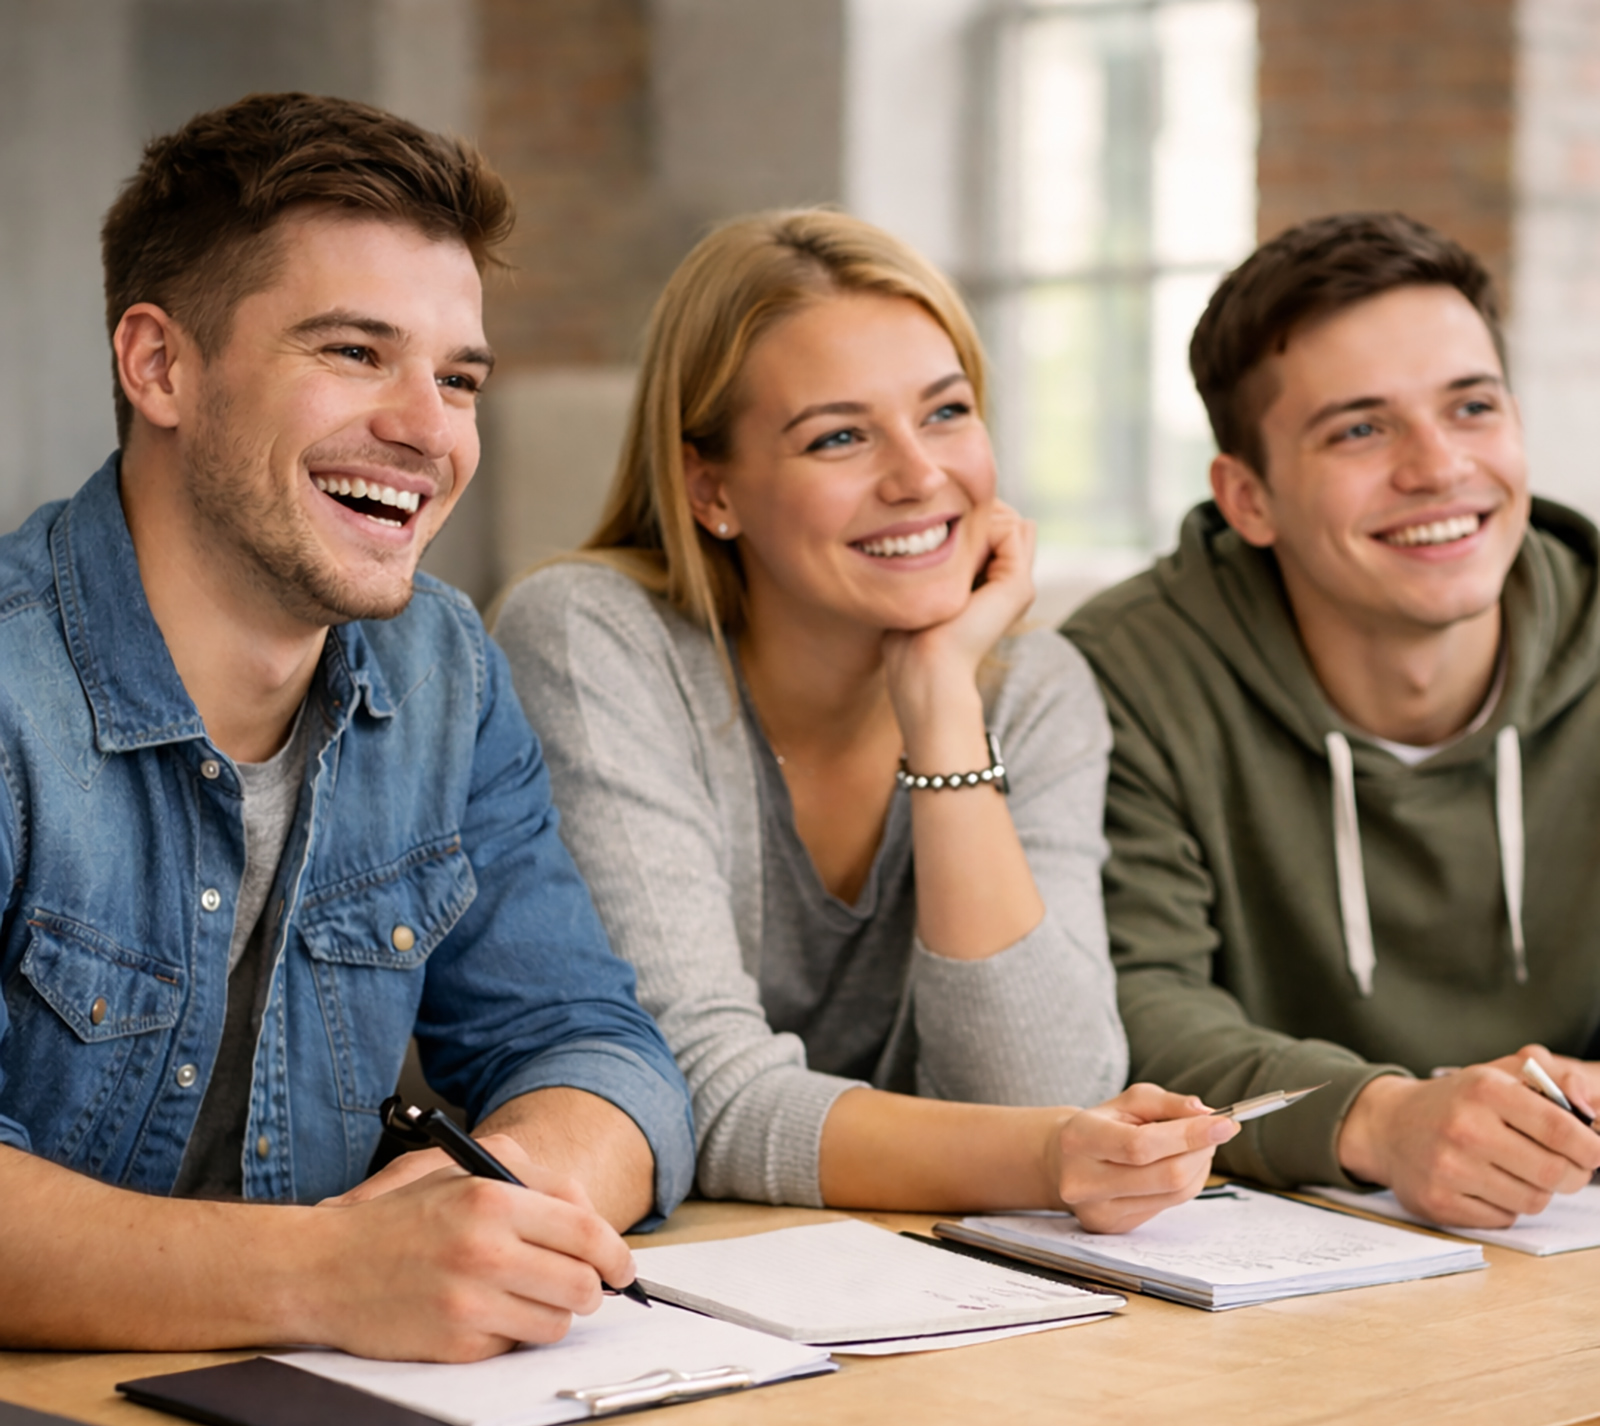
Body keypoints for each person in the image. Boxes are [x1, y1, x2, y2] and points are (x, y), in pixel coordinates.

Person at [0, 93, 695, 1362]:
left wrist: (514, 1183)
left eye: (459, 377)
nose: (429, 429)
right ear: (159, 365)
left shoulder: (443, 669)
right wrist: (328, 1272)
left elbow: (595, 1047)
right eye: (353, 353)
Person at [494, 209, 1236, 1227]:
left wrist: (939, 706)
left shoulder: (1033, 688)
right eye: (838, 436)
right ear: (711, 488)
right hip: (611, 1273)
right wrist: (1048, 1153)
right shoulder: (595, 639)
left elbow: (1039, 1085)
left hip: (906, 1291)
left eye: (945, 413)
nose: (919, 476)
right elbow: (692, 1088)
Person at [1065, 211, 1600, 1426]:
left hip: (1574, 1296)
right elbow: (1123, 1000)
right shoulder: (1125, 674)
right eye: (1360, 431)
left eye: (1471, 406)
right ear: (1248, 497)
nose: (1440, 470)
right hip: (1280, 1310)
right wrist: (1378, 1118)